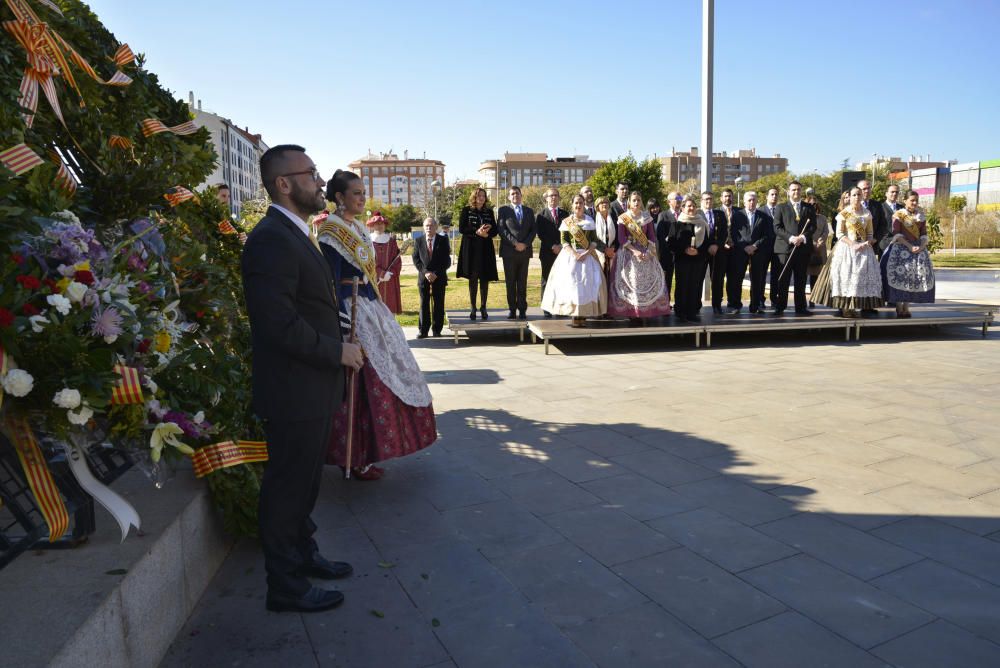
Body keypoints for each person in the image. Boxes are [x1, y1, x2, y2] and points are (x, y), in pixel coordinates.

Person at [241, 145, 364, 613]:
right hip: (293, 390)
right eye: (310, 174)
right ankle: (285, 585)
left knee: (305, 483)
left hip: (311, 387)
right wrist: (337, 350)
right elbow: (278, 324)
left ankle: (304, 555)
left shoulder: (293, 232)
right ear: (284, 184)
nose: (319, 181)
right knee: (287, 488)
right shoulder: (271, 238)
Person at [319, 169, 437, 480]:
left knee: (387, 373)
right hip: (351, 309)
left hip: (370, 305)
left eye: (362, 192)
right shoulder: (330, 231)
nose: (362, 198)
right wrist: (342, 322)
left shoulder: (356, 227)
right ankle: (355, 456)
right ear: (340, 197)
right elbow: (329, 281)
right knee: (362, 380)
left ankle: (369, 452)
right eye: (356, 193)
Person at [540, 193, 607, 326]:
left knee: (588, 284)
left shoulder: (589, 221)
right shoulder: (566, 222)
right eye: (576, 203)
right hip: (570, 257)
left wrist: (587, 253)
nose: (578, 205)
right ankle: (574, 315)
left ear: (584, 205)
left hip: (588, 256)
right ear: (572, 205)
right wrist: (575, 254)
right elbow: (564, 241)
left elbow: (593, 240)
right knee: (572, 285)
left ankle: (583, 314)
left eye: (581, 203)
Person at [607, 191, 672, 321]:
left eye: (638, 200)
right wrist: (635, 251)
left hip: (646, 253)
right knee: (632, 282)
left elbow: (652, 237)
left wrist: (648, 252)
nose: (636, 202)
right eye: (634, 200)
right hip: (628, 254)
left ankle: (646, 312)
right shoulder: (623, 218)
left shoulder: (646, 217)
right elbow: (621, 238)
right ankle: (633, 313)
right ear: (629, 203)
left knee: (647, 282)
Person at [824, 186, 884, 317]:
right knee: (847, 277)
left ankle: (855, 306)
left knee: (859, 278)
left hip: (864, 250)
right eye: (854, 195)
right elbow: (839, 233)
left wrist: (868, 241)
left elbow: (870, 232)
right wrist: (853, 244)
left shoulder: (867, 213)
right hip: (847, 249)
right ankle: (845, 307)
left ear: (862, 196)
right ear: (849, 197)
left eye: (859, 195)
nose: (857, 197)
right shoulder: (844, 213)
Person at [881, 190, 935, 317]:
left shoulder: (921, 216)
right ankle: (898, 306)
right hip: (901, 249)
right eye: (912, 200)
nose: (914, 203)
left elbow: (923, 234)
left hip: (917, 250)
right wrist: (909, 246)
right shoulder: (899, 215)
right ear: (905, 201)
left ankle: (907, 306)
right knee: (900, 276)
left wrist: (921, 247)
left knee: (913, 278)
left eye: (916, 200)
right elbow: (897, 234)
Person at [771, 181, 816, 316]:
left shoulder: (809, 207)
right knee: (783, 279)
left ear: (801, 191)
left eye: (798, 190)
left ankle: (801, 307)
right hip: (785, 249)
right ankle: (780, 307)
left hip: (802, 249)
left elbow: (813, 226)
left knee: (801, 279)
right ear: (788, 192)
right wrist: (791, 238)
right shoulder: (781, 207)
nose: (796, 192)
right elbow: (777, 227)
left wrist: (802, 237)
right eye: (793, 190)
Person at [457, 187, 497, 320]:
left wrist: (487, 233)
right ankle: (473, 307)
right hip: (471, 249)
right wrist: (477, 231)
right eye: (479, 195)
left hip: (485, 248)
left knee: (484, 278)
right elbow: (462, 228)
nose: (481, 198)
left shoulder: (489, 212)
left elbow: (495, 230)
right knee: (473, 278)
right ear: (474, 197)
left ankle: (483, 307)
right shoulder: (466, 210)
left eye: (483, 196)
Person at [496, 186, 536, 319]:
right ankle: (512, 309)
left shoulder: (529, 211)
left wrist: (524, 244)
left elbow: (533, 231)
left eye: (517, 193)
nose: (515, 196)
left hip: (524, 252)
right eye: (512, 194)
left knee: (522, 282)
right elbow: (502, 229)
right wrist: (515, 243)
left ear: (521, 195)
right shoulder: (503, 210)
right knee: (510, 282)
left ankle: (522, 309)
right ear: (509, 197)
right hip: (509, 252)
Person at [668, 196, 710, 322]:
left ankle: (692, 312)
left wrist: (698, 251)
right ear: (683, 208)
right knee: (682, 286)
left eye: (693, 206)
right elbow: (671, 243)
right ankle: (680, 311)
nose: (691, 208)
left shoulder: (702, 224)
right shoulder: (676, 224)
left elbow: (707, 243)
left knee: (695, 286)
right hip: (682, 260)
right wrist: (685, 250)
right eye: (688, 206)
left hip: (698, 260)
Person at [413, 217, 451, 335]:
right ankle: (423, 330)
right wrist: (426, 272)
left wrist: (435, 273)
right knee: (424, 303)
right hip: (423, 277)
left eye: (431, 225)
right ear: (424, 227)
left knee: (439, 303)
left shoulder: (443, 240)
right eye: (426, 226)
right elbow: (416, 259)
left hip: (439, 277)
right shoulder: (418, 240)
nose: (428, 228)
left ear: (436, 227)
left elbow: (446, 260)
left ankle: (437, 330)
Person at [537, 187, 567, 317]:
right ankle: (547, 307)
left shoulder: (566, 214)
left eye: (555, 195)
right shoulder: (540, 215)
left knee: (562, 280)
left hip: (563, 253)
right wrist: (552, 246)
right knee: (546, 280)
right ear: (546, 198)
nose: (553, 198)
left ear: (558, 198)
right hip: (547, 252)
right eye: (551, 196)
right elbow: (541, 234)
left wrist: (561, 246)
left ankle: (560, 307)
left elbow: (569, 232)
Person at [367, 211, 402, 314]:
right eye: (377, 223)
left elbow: (397, 260)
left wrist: (391, 273)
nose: (380, 226)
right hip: (373, 279)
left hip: (389, 281)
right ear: (372, 225)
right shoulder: (367, 241)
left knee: (389, 312)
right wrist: (380, 273)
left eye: (382, 223)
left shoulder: (391, 242)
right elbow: (366, 261)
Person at [700, 191, 729, 315]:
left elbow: (724, 232)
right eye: (706, 199)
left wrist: (716, 245)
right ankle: (696, 305)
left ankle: (717, 305)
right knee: (698, 278)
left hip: (717, 251)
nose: (708, 201)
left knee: (717, 279)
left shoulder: (720, 214)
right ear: (701, 201)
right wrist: (707, 246)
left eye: (711, 199)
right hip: (701, 252)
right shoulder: (697, 214)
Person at [805, 193, 830, 306]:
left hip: (820, 249)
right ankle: (801, 300)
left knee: (815, 276)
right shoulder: (805, 217)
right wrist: (812, 243)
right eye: (810, 203)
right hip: (807, 247)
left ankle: (813, 299)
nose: (813, 205)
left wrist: (821, 241)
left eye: (815, 203)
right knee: (804, 275)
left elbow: (826, 231)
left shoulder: (822, 218)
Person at [655, 194, 679, 301]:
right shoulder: (663, 215)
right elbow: (661, 237)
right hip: (668, 255)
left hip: (682, 255)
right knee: (667, 281)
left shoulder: (684, 214)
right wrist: (667, 253)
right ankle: (665, 304)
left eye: (680, 199)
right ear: (669, 202)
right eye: (676, 199)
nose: (679, 201)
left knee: (681, 281)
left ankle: (680, 304)